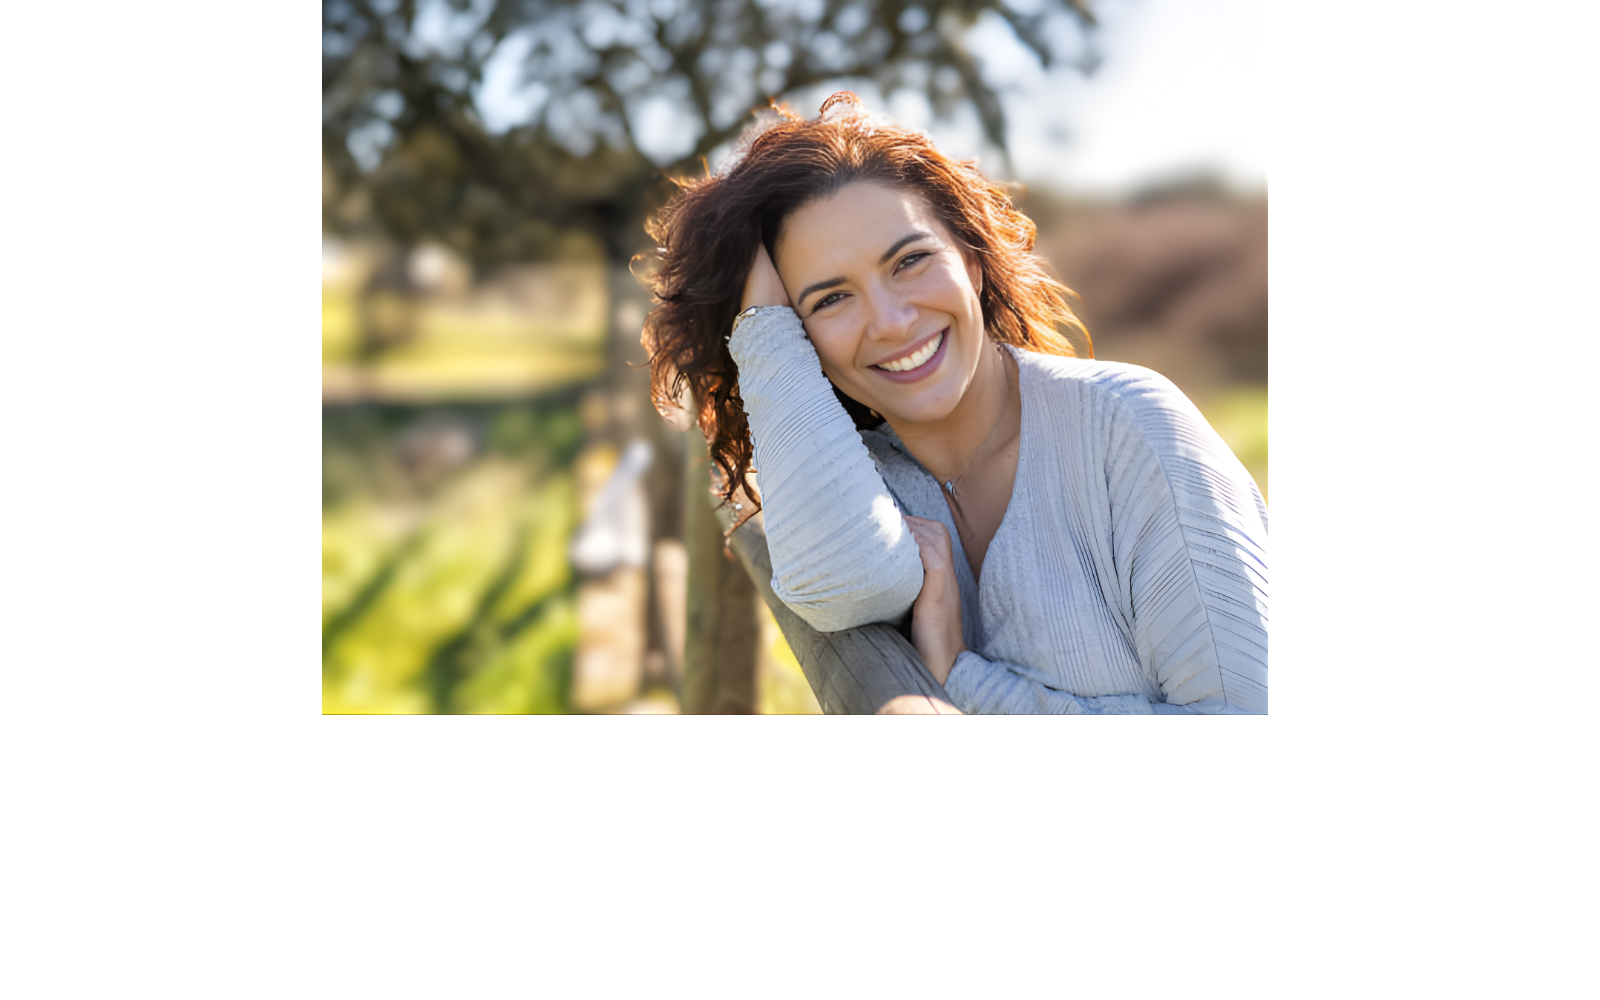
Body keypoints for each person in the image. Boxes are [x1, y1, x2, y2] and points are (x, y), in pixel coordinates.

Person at [640, 93, 1279, 714]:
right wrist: (760, 326)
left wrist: (967, 687)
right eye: (829, 299)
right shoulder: (858, 483)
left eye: (911, 260)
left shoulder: (1130, 428)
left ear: (971, 260)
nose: (890, 322)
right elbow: (843, 590)